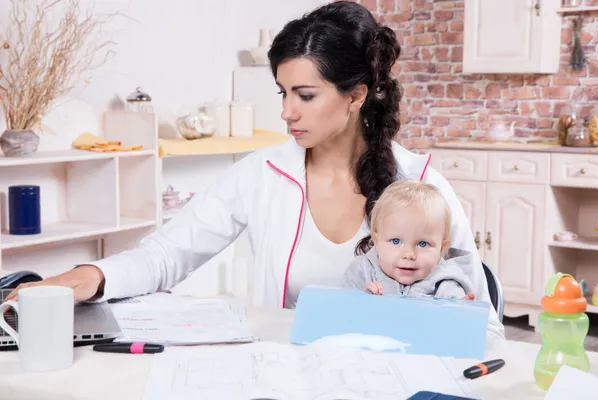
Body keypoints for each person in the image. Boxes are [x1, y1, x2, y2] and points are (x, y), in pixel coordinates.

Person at [4, 1, 504, 339]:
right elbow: (165, 256)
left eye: (305, 96)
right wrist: (87, 274)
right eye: (282, 94)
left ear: (355, 96)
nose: (287, 112)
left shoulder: (421, 186)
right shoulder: (260, 173)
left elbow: (486, 327)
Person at [342, 179, 476, 300]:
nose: (409, 255)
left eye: (422, 244)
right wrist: (360, 302)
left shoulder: (446, 284)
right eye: (396, 241)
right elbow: (340, 316)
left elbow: (456, 322)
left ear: (441, 247)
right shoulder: (361, 272)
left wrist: (459, 314)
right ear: (376, 241)